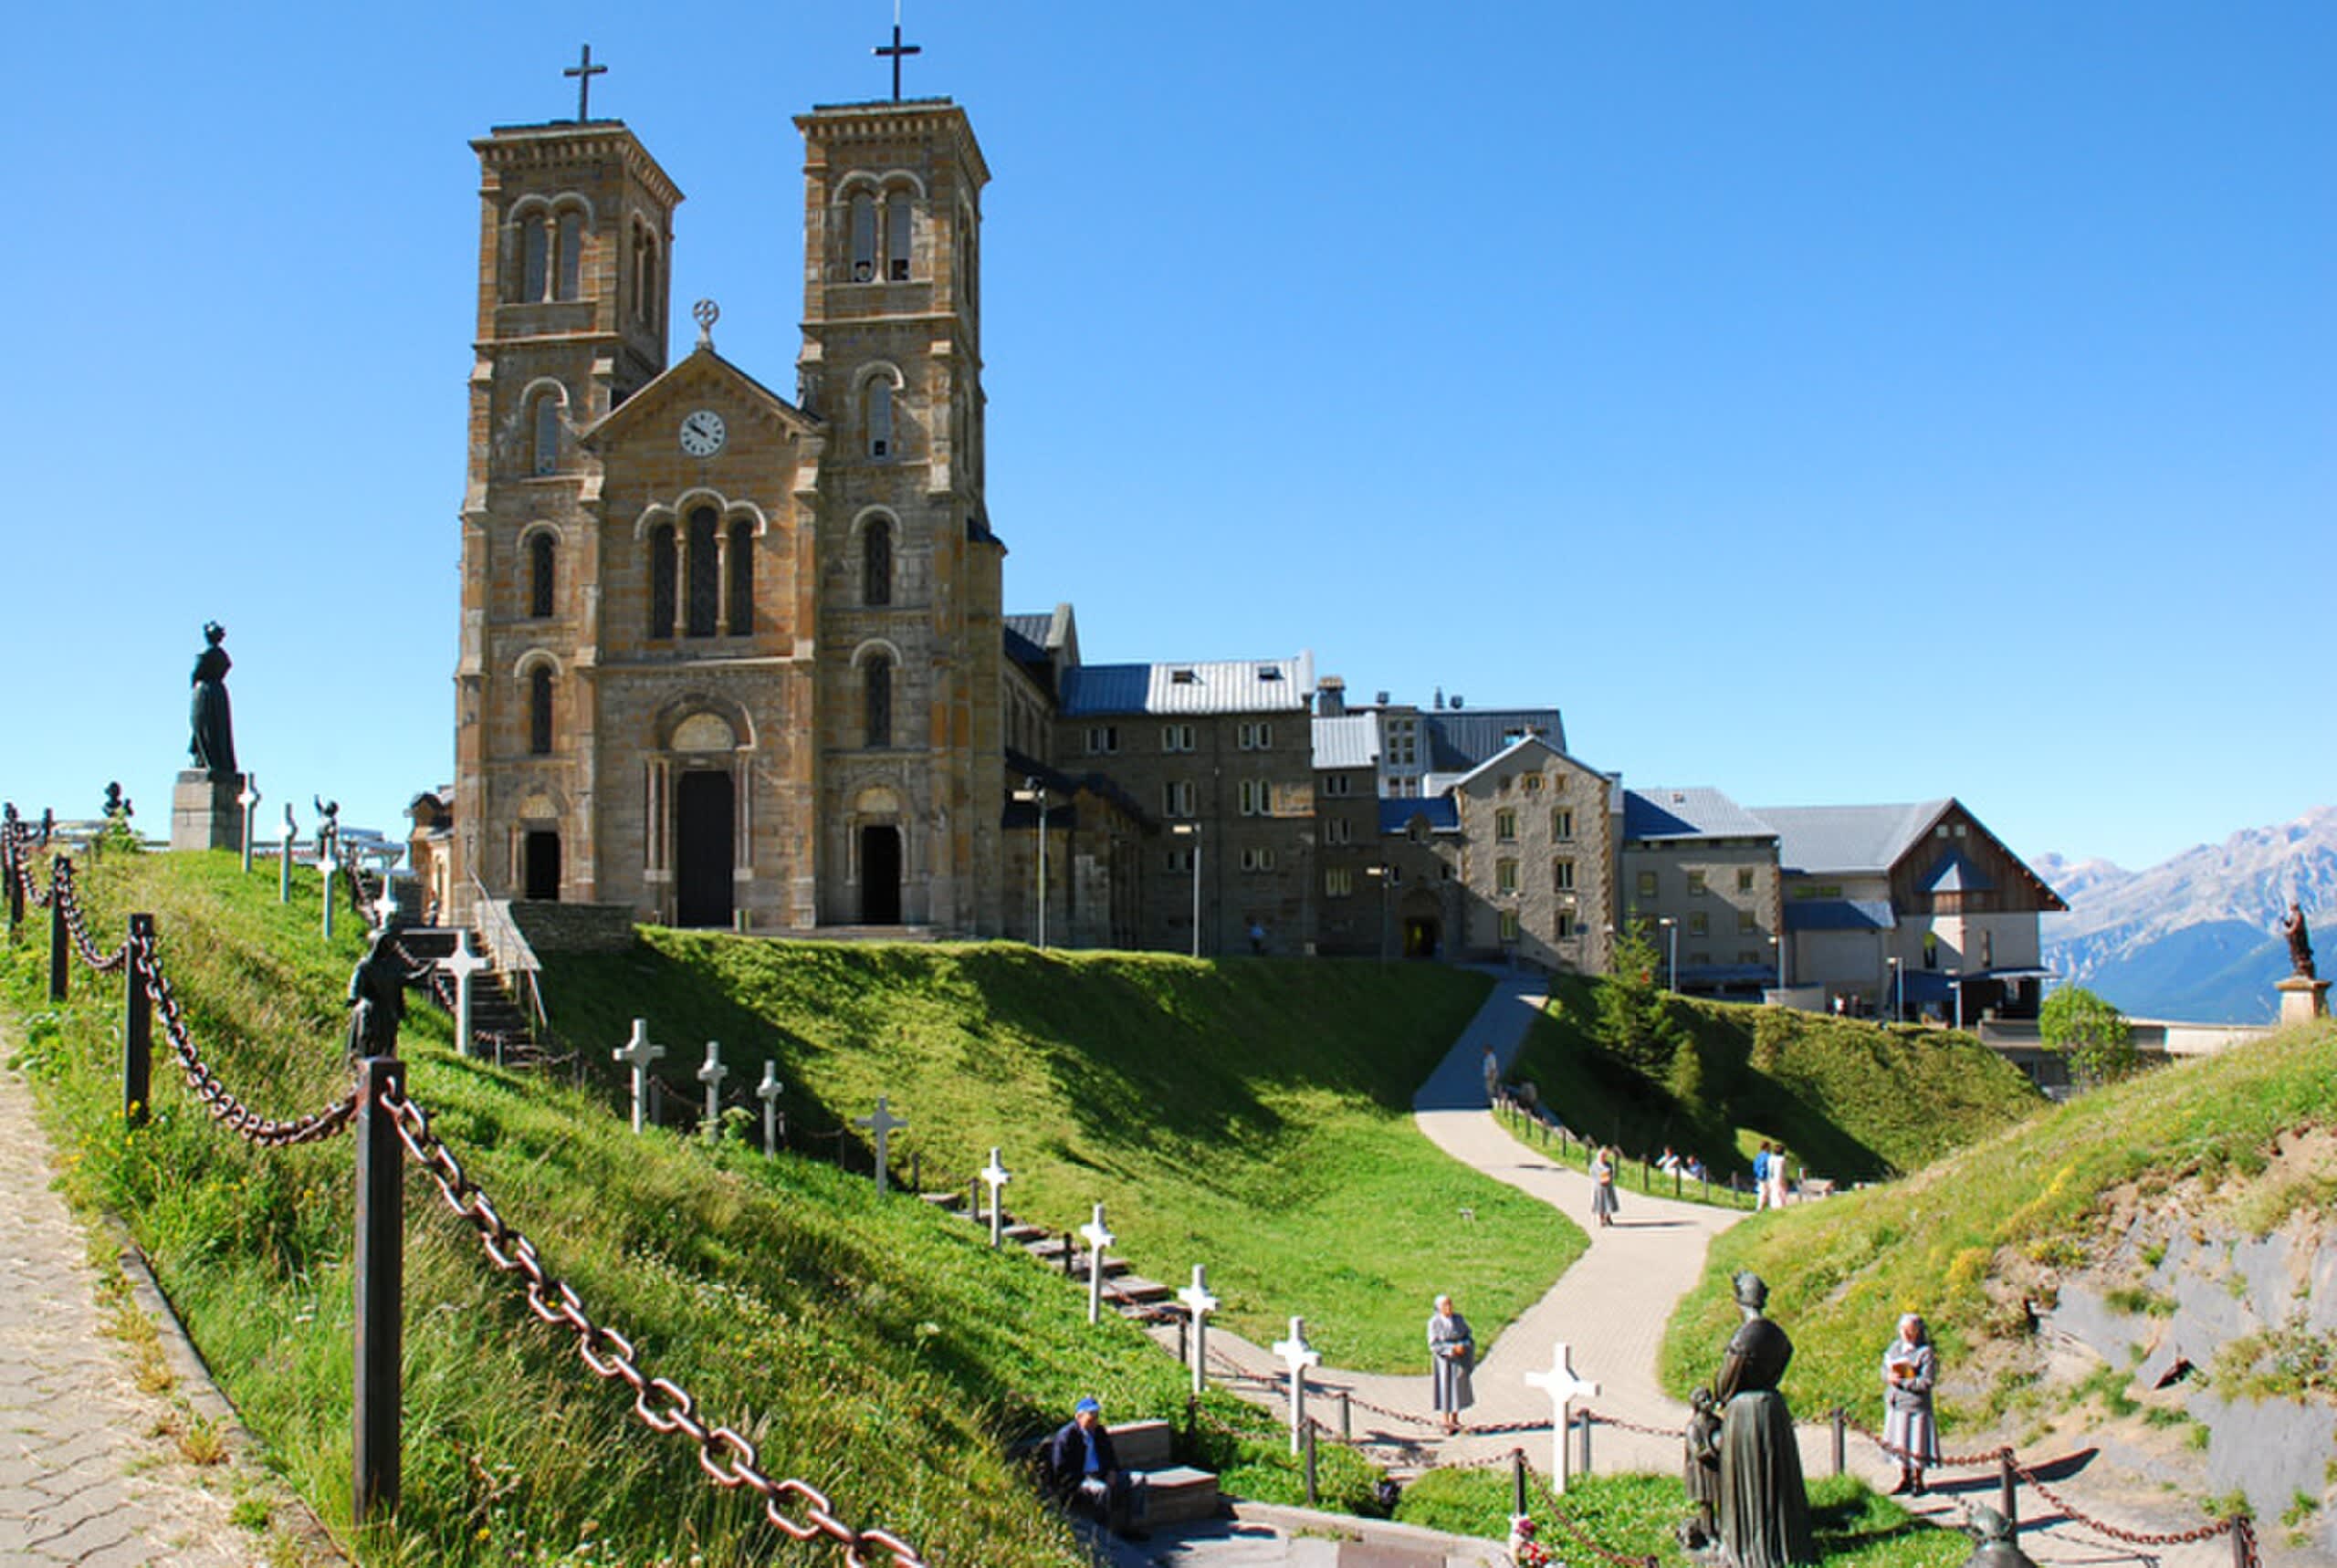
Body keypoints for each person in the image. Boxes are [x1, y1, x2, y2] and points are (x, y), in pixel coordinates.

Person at [1711, 1271, 1816, 1568]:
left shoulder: (1744, 1338)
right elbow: (1785, 1357)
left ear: (1738, 1300)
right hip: (1772, 1409)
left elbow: (1723, 1385)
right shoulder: (1777, 1334)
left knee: (1748, 1478)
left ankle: (1748, 1543)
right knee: (1774, 1477)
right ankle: (1784, 1540)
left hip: (1745, 1413)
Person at [1045, 1396, 1147, 1537]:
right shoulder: (1066, 1437)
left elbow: (1111, 1457)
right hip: (1081, 1479)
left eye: (1096, 1417)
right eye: (1090, 1417)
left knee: (1138, 1479)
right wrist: (1079, 1481)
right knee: (1101, 1490)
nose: (1094, 1421)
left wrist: (1112, 1471)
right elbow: (1060, 1469)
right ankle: (1103, 1533)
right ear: (1079, 1417)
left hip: (1101, 1474)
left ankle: (1134, 1525)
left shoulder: (1099, 1432)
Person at [1882, 1312, 1939, 1496]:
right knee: (1900, 1442)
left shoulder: (1925, 1352)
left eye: (1910, 1330)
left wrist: (1903, 1381)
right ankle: (1904, 1477)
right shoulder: (1895, 1348)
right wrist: (1888, 1377)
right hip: (1897, 1404)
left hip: (1916, 1407)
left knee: (1917, 1443)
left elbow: (1926, 1381)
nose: (1906, 1334)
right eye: (1903, 1330)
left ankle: (1918, 1480)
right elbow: (1884, 1369)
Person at [1427, 1294, 1475, 1434]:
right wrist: (1451, 1349)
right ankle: (1446, 1421)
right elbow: (1434, 1344)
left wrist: (1463, 1346)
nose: (1449, 1308)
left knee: (1458, 1388)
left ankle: (1455, 1419)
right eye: (1445, 1305)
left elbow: (1468, 1336)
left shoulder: (1458, 1319)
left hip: (1459, 1360)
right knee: (1445, 1388)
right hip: (1444, 1362)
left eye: (1450, 1304)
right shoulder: (1434, 1322)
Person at [1589, 1145, 1619, 1228]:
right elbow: (1593, 1175)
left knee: (1609, 1203)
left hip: (1608, 1187)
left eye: (1605, 1156)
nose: (1604, 1157)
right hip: (1599, 1188)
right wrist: (1600, 1180)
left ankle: (1608, 1217)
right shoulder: (1594, 1165)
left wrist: (1609, 1178)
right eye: (1602, 1156)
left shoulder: (1608, 1164)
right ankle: (1601, 1219)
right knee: (1600, 1204)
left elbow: (1611, 1173)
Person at [1751, 1143, 1772, 1211]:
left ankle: (1760, 1207)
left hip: (1759, 1177)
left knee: (1762, 1192)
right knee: (1767, 1193)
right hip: (1767, 1177)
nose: (1770, 1148)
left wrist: (1757, 1174)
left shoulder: (1758, 1156)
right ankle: (1764, 1208)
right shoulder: (1768, 1156)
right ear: (1766, 1147)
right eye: (1769, 1147)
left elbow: (1755, 1167)